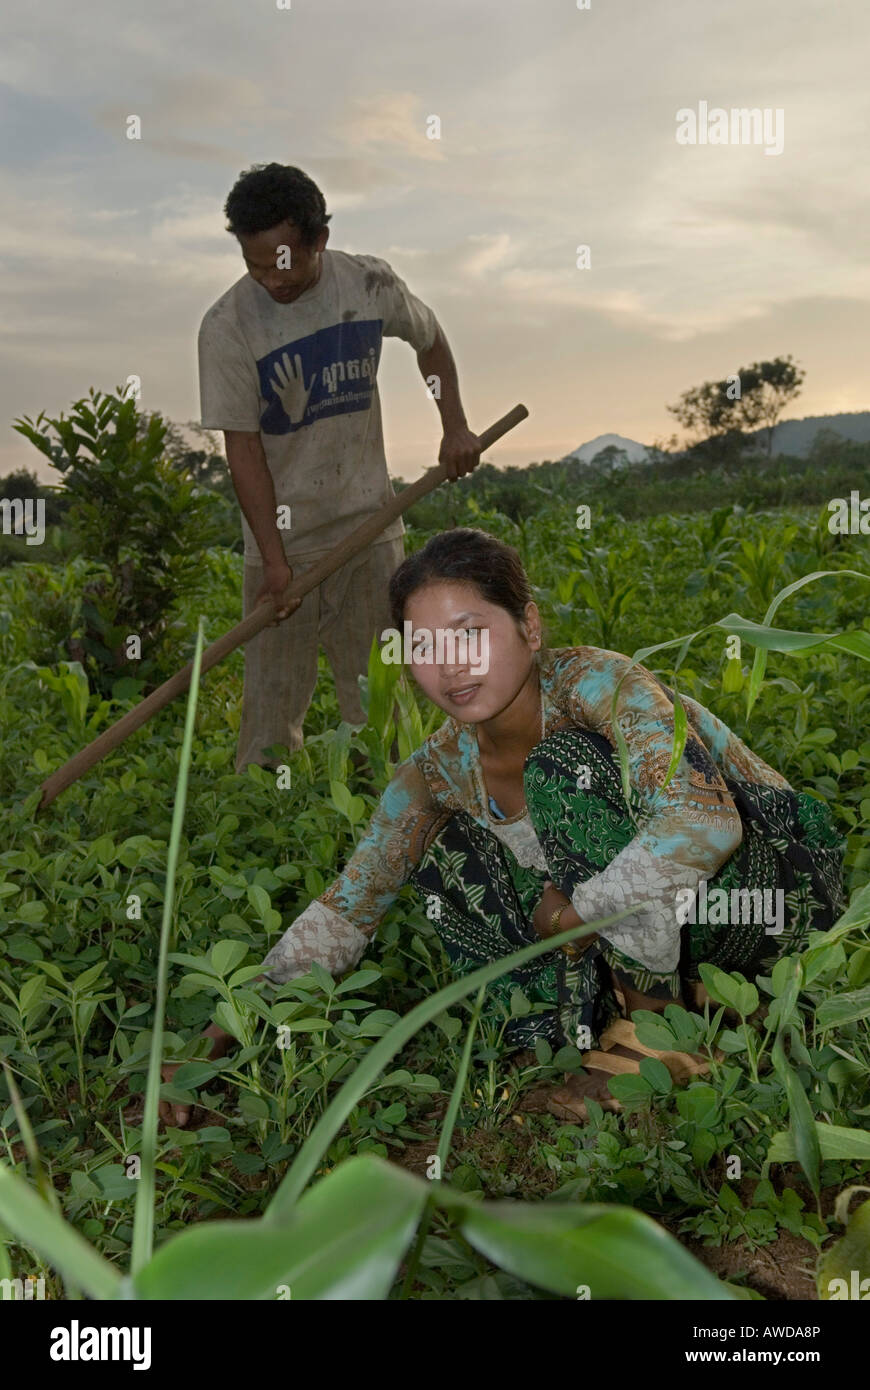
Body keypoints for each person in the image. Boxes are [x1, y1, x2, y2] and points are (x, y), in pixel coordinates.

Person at [162, 529, 844, 1126]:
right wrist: (212, 1040)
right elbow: (347, 910)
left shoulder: (597, 685)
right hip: (655, 930)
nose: (450, 664)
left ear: (530, 626)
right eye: (424, 645)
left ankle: (662, 1033)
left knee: (563, 767)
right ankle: (584, 1025)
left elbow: (704, 822)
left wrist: (567, 917)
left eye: (470, 632)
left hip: (772, 895)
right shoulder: (436, 770)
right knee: (447, 851)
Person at [197, 163, 481, 772]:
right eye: (253, 266)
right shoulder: (227, 327)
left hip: (370, 529)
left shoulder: (368, 283)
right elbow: (242, 449)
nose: (270, 280)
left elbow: (429, 340)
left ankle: (399, 813)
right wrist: (275, 562)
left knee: (382, 701)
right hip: (283, 546)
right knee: (270, 715)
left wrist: (453, 426)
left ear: (318, 240)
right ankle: (267, 823)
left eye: (282, 263)